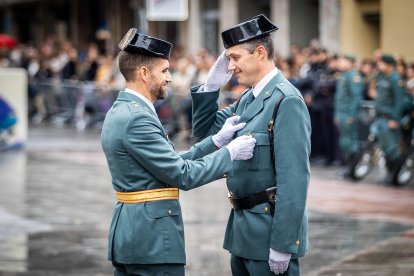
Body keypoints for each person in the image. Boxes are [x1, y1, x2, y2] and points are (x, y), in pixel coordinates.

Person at [100, 28, 256, 276]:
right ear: (143, 73)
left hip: (135, 235)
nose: (169, 78)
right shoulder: (137, 118)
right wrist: (230, 153)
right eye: (163, 70)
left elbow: (168, 163)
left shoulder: (123, 111)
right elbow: (182, 174)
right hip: (151, 239)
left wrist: (215, 141)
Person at [191, 15, 311, 276]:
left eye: (235, 57)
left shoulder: (285, 100)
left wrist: (284, 243)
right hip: (243, 230)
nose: (230, 66)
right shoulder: (249, 97)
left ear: (259, 53)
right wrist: (210, 86)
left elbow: (294, 179)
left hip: (268, 232)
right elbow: (204, 131)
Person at [369, 54, 406, 183]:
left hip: (389, 119)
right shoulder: (382, 77)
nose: (379, 65)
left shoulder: (395, 79)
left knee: (392, 149)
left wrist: (395, 120)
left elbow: (399, 101)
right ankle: (389, 175)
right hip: (380, 118)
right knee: (384, 148)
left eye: (382, 63)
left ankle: (394, 177)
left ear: (389, 65)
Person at [334, 55, 364, 177]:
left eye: (343, 61)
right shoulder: (343, 76)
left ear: (350, 63)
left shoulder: (353, 77)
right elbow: (339, 98)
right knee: (344, 142)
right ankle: (347, 168)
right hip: (341, 113)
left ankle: (352, 169)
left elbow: (356, 98)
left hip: (348, 114)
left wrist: (352, 115)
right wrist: (337, 114)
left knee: (351, 142)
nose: (340, 63)